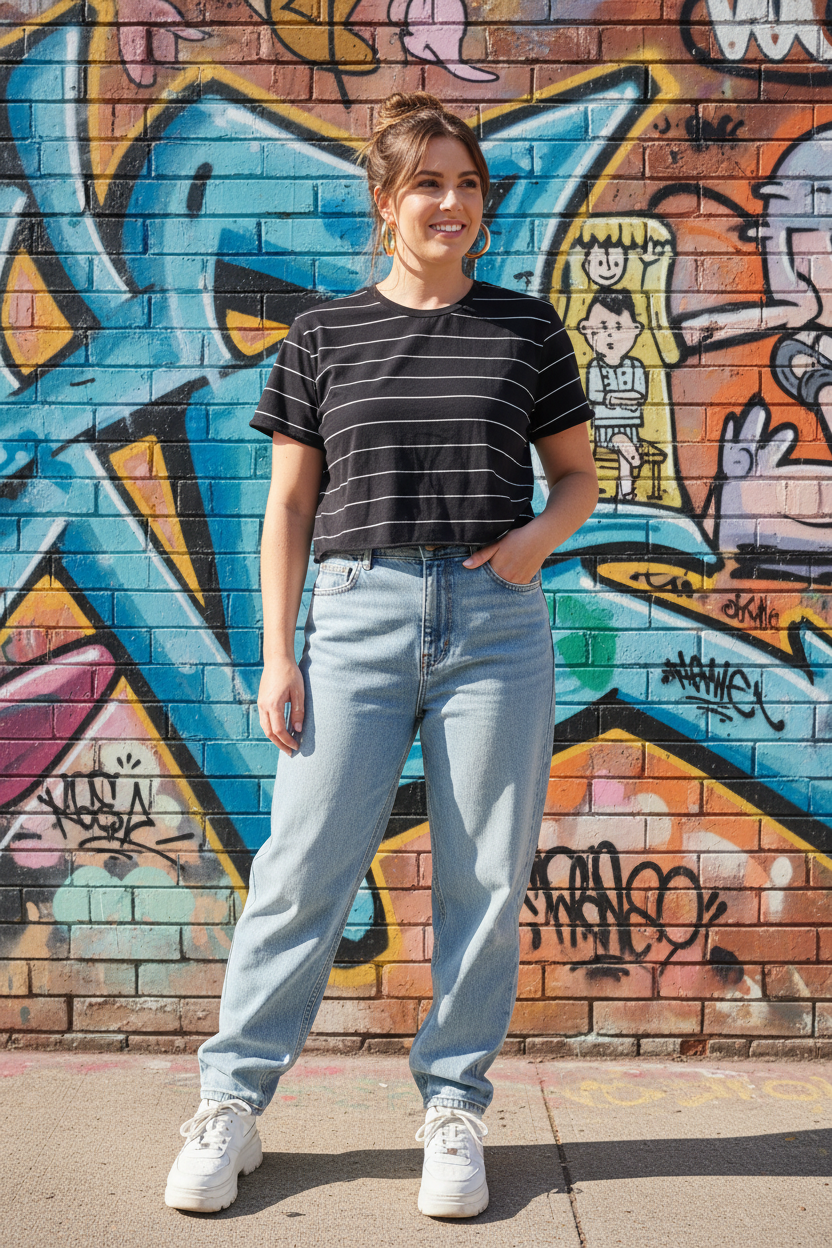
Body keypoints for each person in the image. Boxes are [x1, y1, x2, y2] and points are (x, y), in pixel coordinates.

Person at [164, 91, 598, 1220]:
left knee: (484, 880)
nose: (450, 203)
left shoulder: (526, 328)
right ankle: (232, 1104)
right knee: (301, 869)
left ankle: (453, 1108)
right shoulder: (324, 335)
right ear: (386, 201)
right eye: (428, 184)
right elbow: (287, 511)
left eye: (466, 184)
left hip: (494, 629)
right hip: (352, 619)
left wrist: (533, 545)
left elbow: (579, 478)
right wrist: (277, 654)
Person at [578, 290, 646, 500]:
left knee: (625, 457)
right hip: (606, 426)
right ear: (586, 330)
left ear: (635, 330)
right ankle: (628, 451)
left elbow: (640, 395)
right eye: (603, 327)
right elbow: (596, 395)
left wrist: (614, 398)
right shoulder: (595, 366)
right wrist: (622, 398)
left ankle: (625, 492)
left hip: (630, 423)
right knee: (619, 442)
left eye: (618, 327)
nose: (610, 335)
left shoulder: (636, 366)